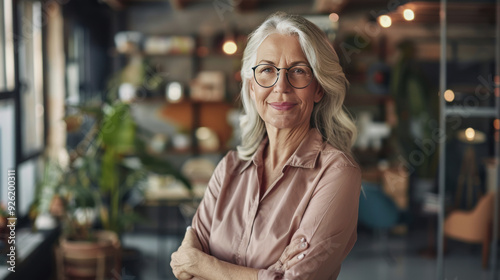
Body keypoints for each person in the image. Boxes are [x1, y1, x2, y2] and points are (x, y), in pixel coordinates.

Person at [171, 11, 361, 280]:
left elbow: (192, 263)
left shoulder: (337, 173)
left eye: (298, 71)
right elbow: (183, 268)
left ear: (318, 88)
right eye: (267, 70)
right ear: (251, 86)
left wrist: (204, 265)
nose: (280, 86)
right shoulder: (229, 167)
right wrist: (267, 274)